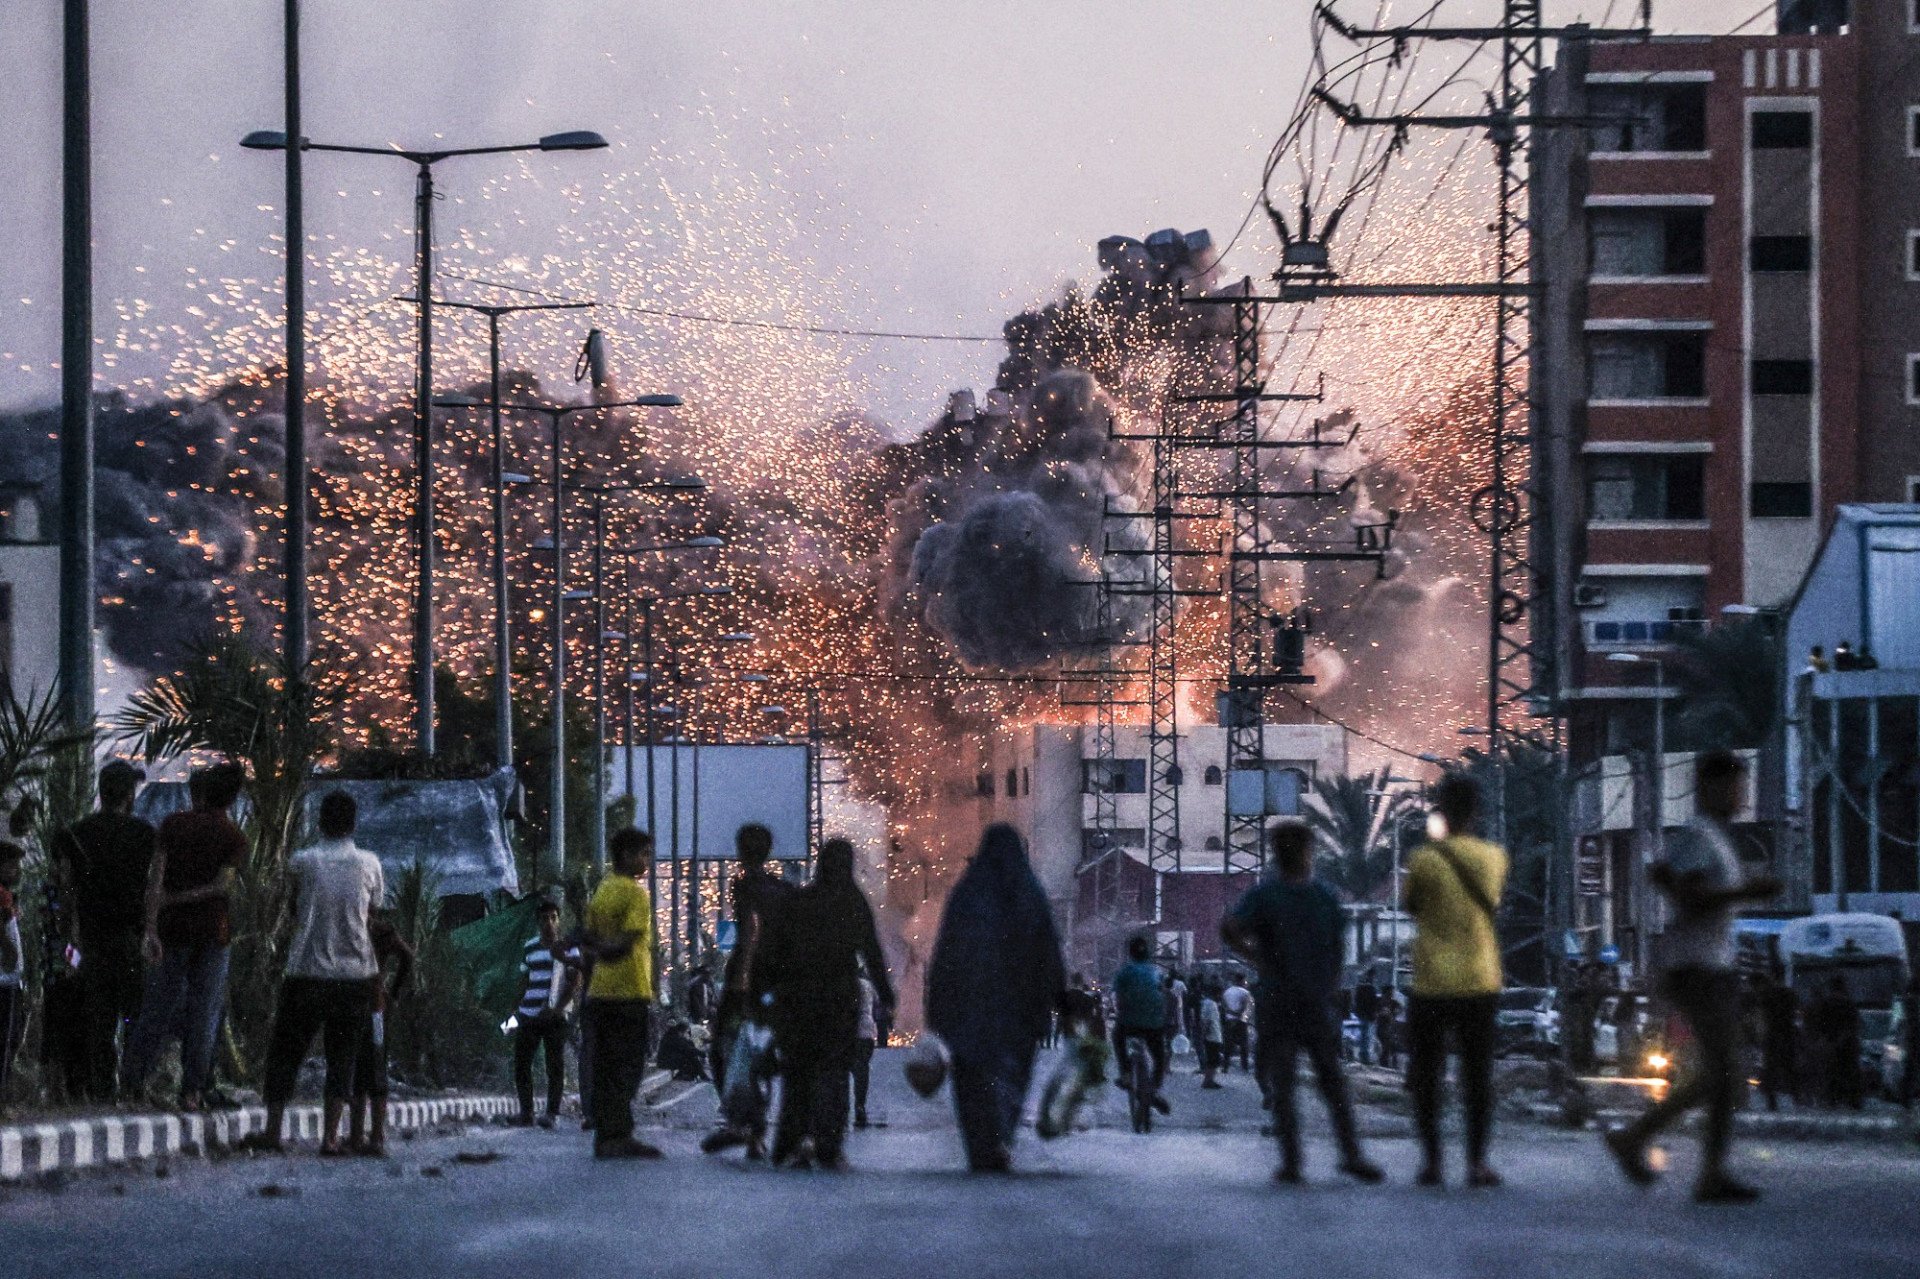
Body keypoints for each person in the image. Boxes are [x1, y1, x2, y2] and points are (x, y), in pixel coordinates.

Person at [1604, 751, 1780, 1204]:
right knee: (1722, 1070)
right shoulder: (1700, 836)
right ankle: (1664, 1152)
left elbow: (1665, 875)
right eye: (1736, 786)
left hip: (1709, 964)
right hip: (1696, 966)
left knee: (1721, 1073)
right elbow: (1683, 890)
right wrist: (1746, 891)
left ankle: (1652, 1146)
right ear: (1712, 786)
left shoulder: (1713, 838)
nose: (1741, 796)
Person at [1223, 822, 1384, 1185]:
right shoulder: (1322, 897)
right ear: (1308, 852)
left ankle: (1294, 1161)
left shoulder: (1266, 896)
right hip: (1308, 1000)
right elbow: (1339, 951)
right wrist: (1329, 982)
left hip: (1280, 999)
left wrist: (1256, 959)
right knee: (1330, 1080)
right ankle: (1349, 1155)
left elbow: (1230, 929)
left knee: (1287, 1081)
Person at [239, 790, 385, 1154]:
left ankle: (273, 1131)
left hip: (306, 971)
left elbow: (291, 908)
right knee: (343, 1058)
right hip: (355, 975)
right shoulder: (369, 864)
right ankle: (331, 1138)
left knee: (286, 1053)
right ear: (353, 824)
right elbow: (372, 915)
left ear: (320, 823)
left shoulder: (302, 861)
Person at [926, 823, 1066, 1173]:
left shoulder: (968, 894)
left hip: (968, 1011)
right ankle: (1002, 1137)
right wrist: (1058, 999)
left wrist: (937, 1008)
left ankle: (981, 1145)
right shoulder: (1029, 894)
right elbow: (1047, 952)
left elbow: (947, 954)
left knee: (972, 1079)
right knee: (1011, 1075)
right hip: (1019, 1011)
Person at [757, 838, 893, 1169]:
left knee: (799, 1073)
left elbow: (774, 951)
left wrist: (765, 998)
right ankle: (828, 1145)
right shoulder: (852, 902)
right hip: (838, 1001)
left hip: (798, 1002)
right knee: (833, 1074)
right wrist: (886, 996)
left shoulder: (801, 900)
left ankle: (793, 1142)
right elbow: (872, 953)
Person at [122, 762, 249, 1111]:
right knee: (204, 1012)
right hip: (212, 933)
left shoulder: (172, 825)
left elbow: (155, 880)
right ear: (232, 798)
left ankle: (132, 1082)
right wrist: (182, 899)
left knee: (157, 1007)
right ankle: (192, 1091)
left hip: (171, 930)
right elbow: (222, 887)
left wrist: (152, 925)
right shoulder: (234, 837)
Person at [1403, 773, 1508, 1189]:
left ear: (1440, 810)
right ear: (1477, 811)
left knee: (1428, 1076)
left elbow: (1412, 907)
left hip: (1430, 981)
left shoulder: (1424, 860)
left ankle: (1432, 1162)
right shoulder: (1495, 856)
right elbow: (1493, 903)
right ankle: (1478, 1163)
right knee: (1477, 1077)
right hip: (1480, 979)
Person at [55, 760, 155, 1101]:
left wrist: (68, 943)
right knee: (134, 1015)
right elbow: (150, 889)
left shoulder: (78, 833)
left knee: (98, 1016)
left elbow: (68, 891)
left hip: (92, 939)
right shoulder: (144, 834)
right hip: (130, 938)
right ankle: (132, 1084)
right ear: (128, 795)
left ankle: (102, 1088)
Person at [702, 823, 796, 1158]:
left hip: (746, 986)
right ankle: (755, 1132)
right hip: (775, 985)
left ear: (741, 850)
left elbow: (749, 932)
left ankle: (742, 1123)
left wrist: (739, 982)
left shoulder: (745, 885)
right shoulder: (783, 890)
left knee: (724, 1051)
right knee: (761, 1054)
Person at [582, 827, 661, 1159]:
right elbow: (624, 942)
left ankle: (608, 1133)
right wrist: (604, 947)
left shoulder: (601, 889)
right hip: (628, 992)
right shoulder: (635, 894)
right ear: (627, 855)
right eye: (644, 854)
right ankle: (617, 1135)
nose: (647, 861)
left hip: (599, 992)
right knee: (627, 1067)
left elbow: (588, 937)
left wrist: (594, 948)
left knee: (606, 1066)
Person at [347, 910, 414, 1155]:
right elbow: (407, 957)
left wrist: (392, 994)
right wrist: (392, 993)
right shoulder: (376, 931)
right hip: (370, 1006)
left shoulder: (372, 930)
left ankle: (370, 1135)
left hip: (369, 1007)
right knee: (367, 1067)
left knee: (369, 1067)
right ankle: (364, 1135)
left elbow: (407, 956)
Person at [514, 898, 580, 1128]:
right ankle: (526, 1112)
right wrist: (517, 1008)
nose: (549, 923)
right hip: (529, 1013)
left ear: (559, 920)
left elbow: (574, 982)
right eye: (544, 918)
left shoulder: (568, 947)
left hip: (556, 1016)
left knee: (555, 1064)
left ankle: (551, 1113)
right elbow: (524, 978)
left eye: (553, 917)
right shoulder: (529, 947)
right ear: (538, 922)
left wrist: (557, 1009)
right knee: (522, 1063)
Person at [1111, 936, 1172, 1116]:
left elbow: (1118, 997)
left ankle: (1126, 1074)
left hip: (1129, 1021)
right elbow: (1163, 994)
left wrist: (1121, 1014)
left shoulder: (1124, 972)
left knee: (1117, 1038)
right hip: (1154, 1022)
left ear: (1130, 953)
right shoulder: (1156, 971)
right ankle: (1152, 1090)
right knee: (1159, 1057)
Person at [1806, 977, 1862, 1110]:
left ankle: (1832, 1100)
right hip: (1848, 1043)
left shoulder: (1826, 1003)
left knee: (1832, 1072)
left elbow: (1820, 1024)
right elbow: (1855, 1024)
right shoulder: (1849, 1003)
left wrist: (1823, 1039)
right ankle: (1853, 1101)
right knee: (1850, 1072)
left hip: (1831, 1043)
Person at [0, 834, 25, 1107]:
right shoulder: (2, 895)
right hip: (5, 979)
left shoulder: (9, 896)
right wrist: (10, 951)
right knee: (7, 1039)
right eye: (11, 865)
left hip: (8, 978)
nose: (17, 872)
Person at [1759, 976, 1800, 1112]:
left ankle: (1772, 1102)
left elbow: (1764, 1014)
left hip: (1773, 1033)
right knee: (1789, 1067)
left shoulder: (1767, 994)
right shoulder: (1789, 994)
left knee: (1771, 1067)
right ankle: (1796, 1097)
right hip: (1787, 1033)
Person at [852, 970, 879, 1129]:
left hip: (847, 1033)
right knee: (862, 1071)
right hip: (866, 1031)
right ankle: (860, 1105)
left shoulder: (845, 984)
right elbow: (876, 1001)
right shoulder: (868, 985)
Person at [1220, 972, 1253, 1072]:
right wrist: (1241, 1015)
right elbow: (1247, 1007)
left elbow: (1223, 1006)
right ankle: (1244, 1067)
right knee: (1243, 1045)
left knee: (1228, 1045)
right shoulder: (1245, 993)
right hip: (1241, 1021)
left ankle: (1225, 1067)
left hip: (1229, 1020)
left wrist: (1230, 1012)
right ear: (1242, 980)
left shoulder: (1227, 992)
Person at [1198, 981, 1225, 1088]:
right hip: (1213, 1036)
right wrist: (1204, 1034)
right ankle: (1208, 1081)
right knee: (1213, 1060)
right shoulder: (1212, 1004)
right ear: (1217, 994)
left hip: (1213, 1035)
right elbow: (1207, 1021)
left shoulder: (1206, 1003)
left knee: (1212, 1059)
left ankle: (1209, 1079)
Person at [1352, 973, 1381, 1066]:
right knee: (1367, 1037)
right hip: (1368, 1016)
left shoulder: (1360, 988)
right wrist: (1374, 1014)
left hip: (1361, 1015)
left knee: (1363, 1036)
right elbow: (1374, 1004)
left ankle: (1362, 1056)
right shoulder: (1372, 989)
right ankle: (1365, 1057)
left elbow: (1356, 1001)